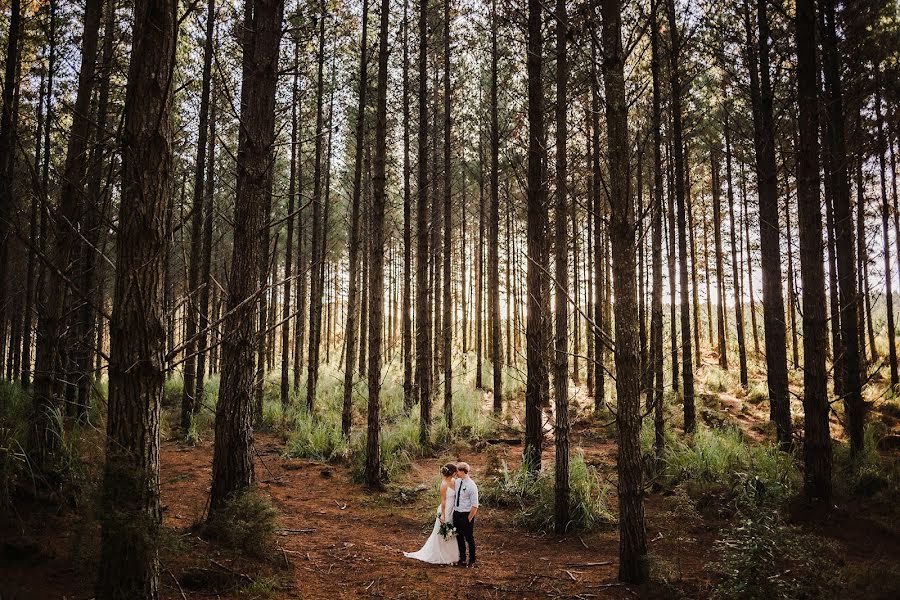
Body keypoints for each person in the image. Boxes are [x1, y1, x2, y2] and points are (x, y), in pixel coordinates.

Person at [403, 463, 461, 564]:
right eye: (455, 471)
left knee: (452, 531)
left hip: (453, 509)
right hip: (445, 510)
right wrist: (443, 514)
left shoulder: (454, 481)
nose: (457, 473)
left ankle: (452, 554)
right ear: (452, 472)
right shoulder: (444, 485)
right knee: (443, 531)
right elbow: (443, 501)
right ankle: (441, 554)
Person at [452, 462, 479, 568]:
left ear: (463, 471)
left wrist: (469, 518)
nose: (456, 473)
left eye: (457, 471)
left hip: (466, 515)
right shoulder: (458, 482)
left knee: (469, 538)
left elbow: (475, 505)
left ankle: (472, 560)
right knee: (459, 537)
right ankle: (462, 558)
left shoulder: (471, 486)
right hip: (456, 514)